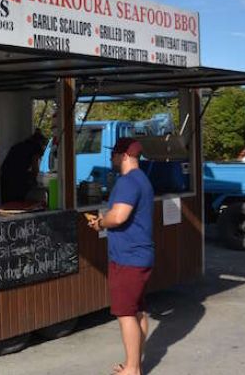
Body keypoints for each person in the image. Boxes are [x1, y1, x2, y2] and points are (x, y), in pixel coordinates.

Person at [87, 137, 154, 375]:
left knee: (125, 314)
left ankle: (133, 369)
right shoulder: (143, 180)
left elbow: (118, 217)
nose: (112, 158)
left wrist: (100, 223)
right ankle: (134, 362)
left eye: (115, 154)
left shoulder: (127, 182)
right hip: (141, 256)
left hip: (128, 258)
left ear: (124, 156)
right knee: (137, 312)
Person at [0, 129, 48, 204]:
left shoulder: (19, 146)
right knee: (18, 202)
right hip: (16, 180)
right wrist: (35, 180)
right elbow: (35, 168)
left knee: (8, 202)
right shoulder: (35, 147)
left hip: (5, 178)